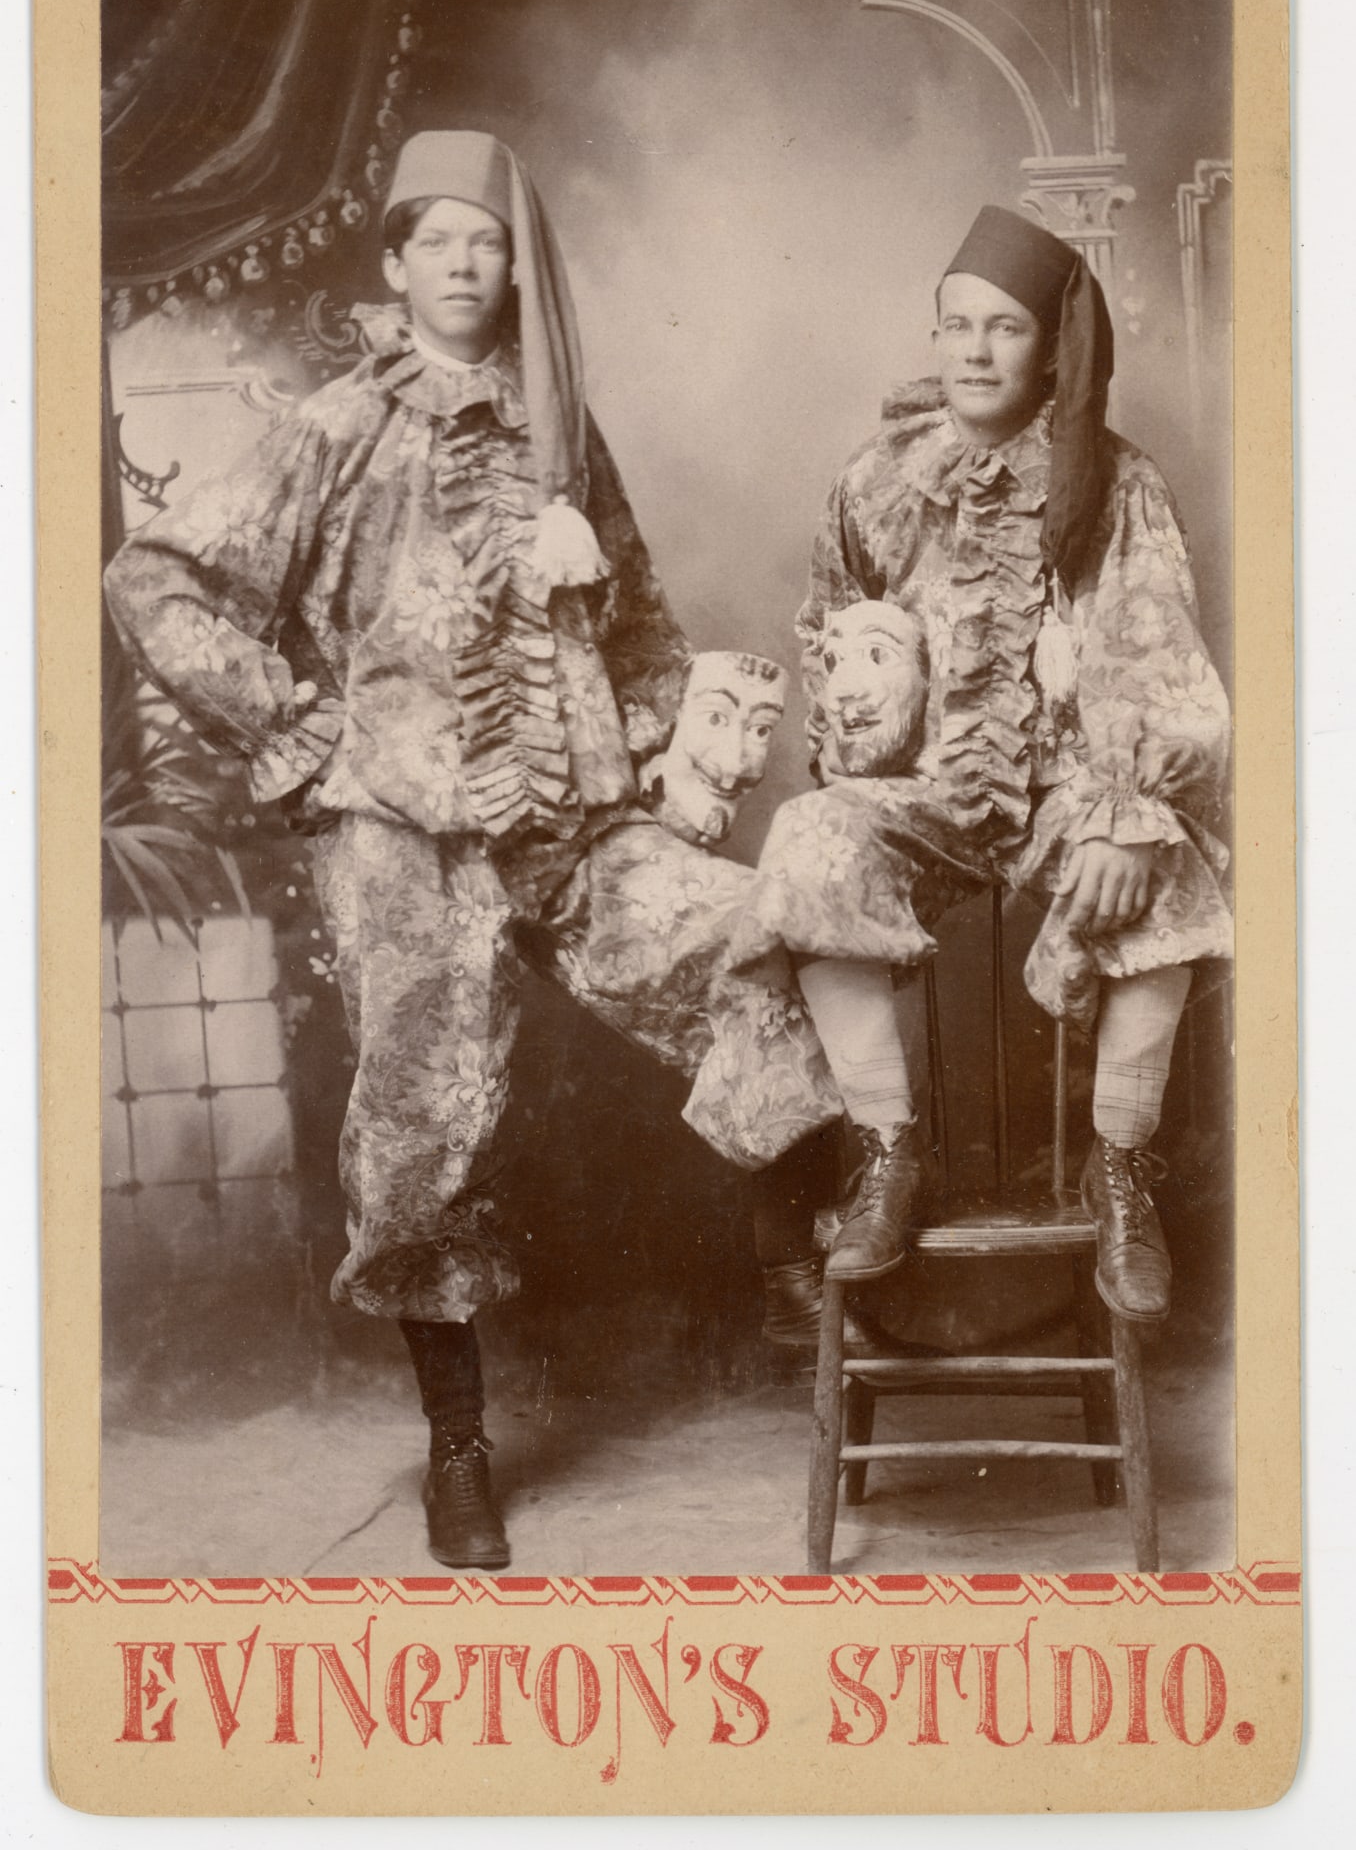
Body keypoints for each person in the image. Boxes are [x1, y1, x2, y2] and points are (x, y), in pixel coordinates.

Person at [104, 130, 884, 1571]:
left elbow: (639, 618)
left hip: (576, 823)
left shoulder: (558, 429)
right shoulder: (336, 427)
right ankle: (458, 1448)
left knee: (754, 930)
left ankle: (794, 1252)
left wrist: (659, 742)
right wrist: (304, 729)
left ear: (515, 265)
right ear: (394, 266)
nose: (469, 266)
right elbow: (154, 578)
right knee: (420, 1130)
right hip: (406, 834)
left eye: (490, 242)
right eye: (439, 241)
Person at [731, 204, 1233, 1319]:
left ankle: (1119, 1172)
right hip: (926, 792)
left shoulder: (1117, 483)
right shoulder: (878, 481)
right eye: (954, 326)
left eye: (1002, 329)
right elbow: (827, 638)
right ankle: (887, 1153)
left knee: (1176, 873)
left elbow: (1163, 664)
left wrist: (1120, 810)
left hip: (1073, 788)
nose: (972, 350)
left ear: (1051, 348)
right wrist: (861, 713)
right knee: (811, 838)